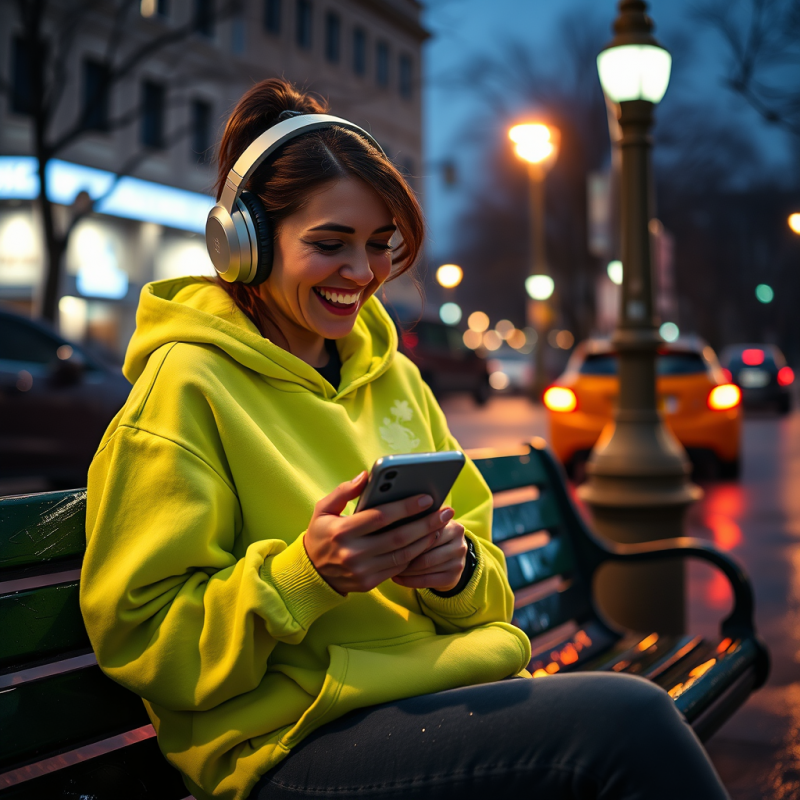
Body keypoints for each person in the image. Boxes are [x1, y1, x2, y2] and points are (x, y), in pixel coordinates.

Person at [80, 78, 730, 800]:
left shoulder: (398, 380)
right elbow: (144, 645)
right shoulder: (186, 389)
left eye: (380, 246)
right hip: (288, 744)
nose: (361, 274)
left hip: (433, 696)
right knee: (628, 721)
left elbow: (490, 597)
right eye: (330, 244)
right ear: (244, 245)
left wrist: (453, 572)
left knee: (626, 722)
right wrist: (305, 577)